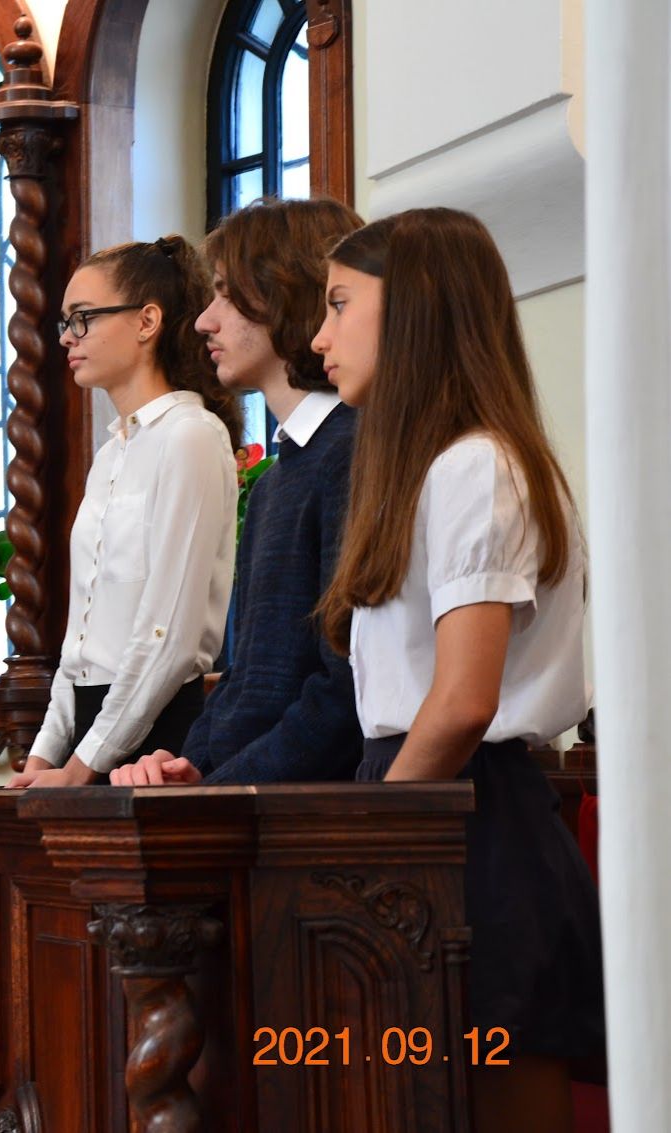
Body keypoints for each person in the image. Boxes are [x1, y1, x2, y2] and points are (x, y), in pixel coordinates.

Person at [311, 207, 603, 1133]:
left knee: (491, 1100)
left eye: (338, 304)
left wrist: (373, 840)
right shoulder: (438, 467)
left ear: (414, 309)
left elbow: (462, 699)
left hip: (465, 814)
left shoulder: (477, 467)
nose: (318, 337)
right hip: (431, 796)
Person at [108, 197, 366, 788]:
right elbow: (250, 678)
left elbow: (342, 690)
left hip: (307, 810)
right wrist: (189, 763)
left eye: (226, 294)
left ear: (285, 295)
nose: (204, 321)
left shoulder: (351, 454)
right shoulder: (277, 477)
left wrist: (216, 787)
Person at [8, 236, 239, 788]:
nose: (67, 337)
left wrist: (82, 768)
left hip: (157, 735)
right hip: (94, 735)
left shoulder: (190, 436)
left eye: (83, 318)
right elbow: (81, 641)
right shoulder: (112, 453)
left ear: (147, 321)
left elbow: (169, 636)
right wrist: (45, 755)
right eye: (65, 322)